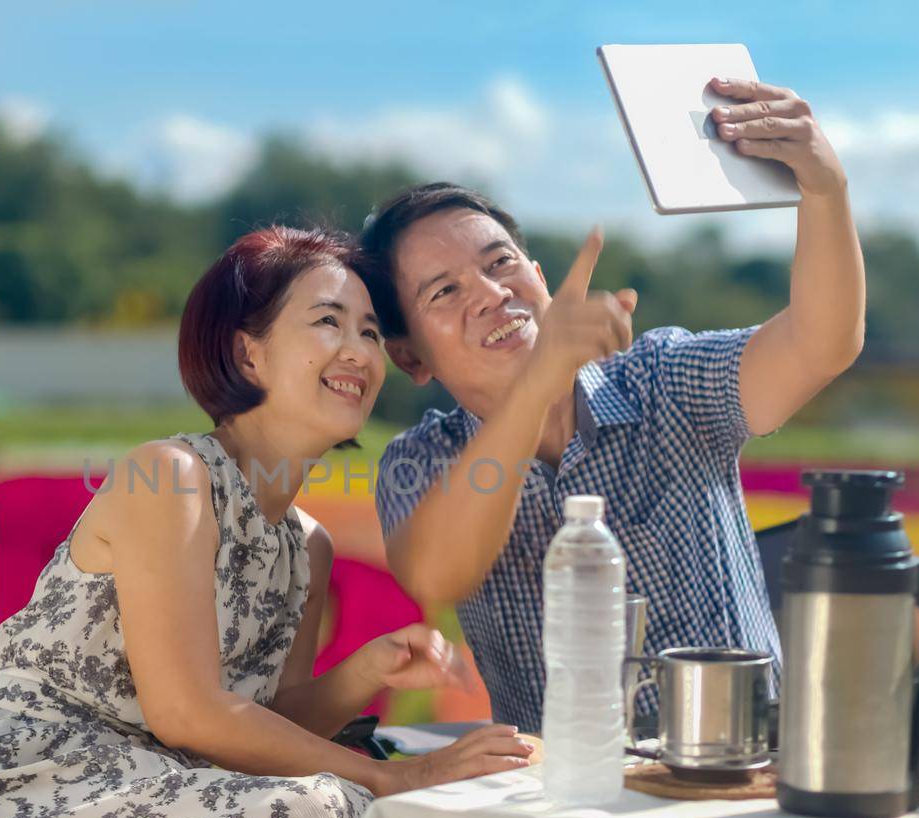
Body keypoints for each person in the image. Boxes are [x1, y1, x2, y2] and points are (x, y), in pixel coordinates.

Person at [0, 227, 535, 818]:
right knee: (329, 812)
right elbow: (189, 716)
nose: (358, 350)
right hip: (7, 806)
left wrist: (361, 672)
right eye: (328, 321)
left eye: (372, 332)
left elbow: (266, 721)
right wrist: (392, 778)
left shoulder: (304, 544)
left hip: (152, 801)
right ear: (245, 350)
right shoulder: (170, 477)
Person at [362, 78, 864, 732]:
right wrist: (536, 384)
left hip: (739, 768)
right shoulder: (419, 461)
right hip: (560, 794)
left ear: (540, 279)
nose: (490, 294)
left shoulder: (665, 381)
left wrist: (825, 189)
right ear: (410, 358)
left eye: (501, 263)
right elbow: (437, 575)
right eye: (444, 292)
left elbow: (820, 343)